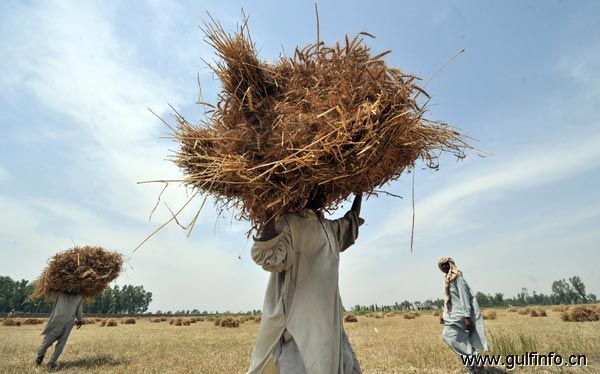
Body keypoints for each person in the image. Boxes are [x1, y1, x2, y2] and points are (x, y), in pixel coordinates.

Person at [247, 190, 364, 374]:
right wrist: (270, 209)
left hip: (329, 325)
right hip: (297, 328)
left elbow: (351, 223)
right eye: (317, 187)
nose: (324, 193)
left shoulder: (329, 228)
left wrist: (359, 192)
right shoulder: (290, 222)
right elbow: (265, 255)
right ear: (302, 191)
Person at [437, 257, 488, 373]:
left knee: (447, 336)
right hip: (451, 314)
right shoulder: (448, 280)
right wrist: (443, 313)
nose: (444, 267)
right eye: (442, 265)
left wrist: (467, 316)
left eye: (446, 264)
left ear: (451, 264)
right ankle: (473, 367)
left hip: (459, 315)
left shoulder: (458, 278)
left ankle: (473, 358)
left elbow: (465, 298)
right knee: (462, 340)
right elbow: (448, 299)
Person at [36, 290, 84, 370]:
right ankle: (40, 354)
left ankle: (52, 362)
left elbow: (79, 309)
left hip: (68, 323)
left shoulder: (78, 297)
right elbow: (48, 294)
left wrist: (80, 319)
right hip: (56, 321)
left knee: (61, 343)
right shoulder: (60, 294)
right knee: (47, 342)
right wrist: (47, 287)